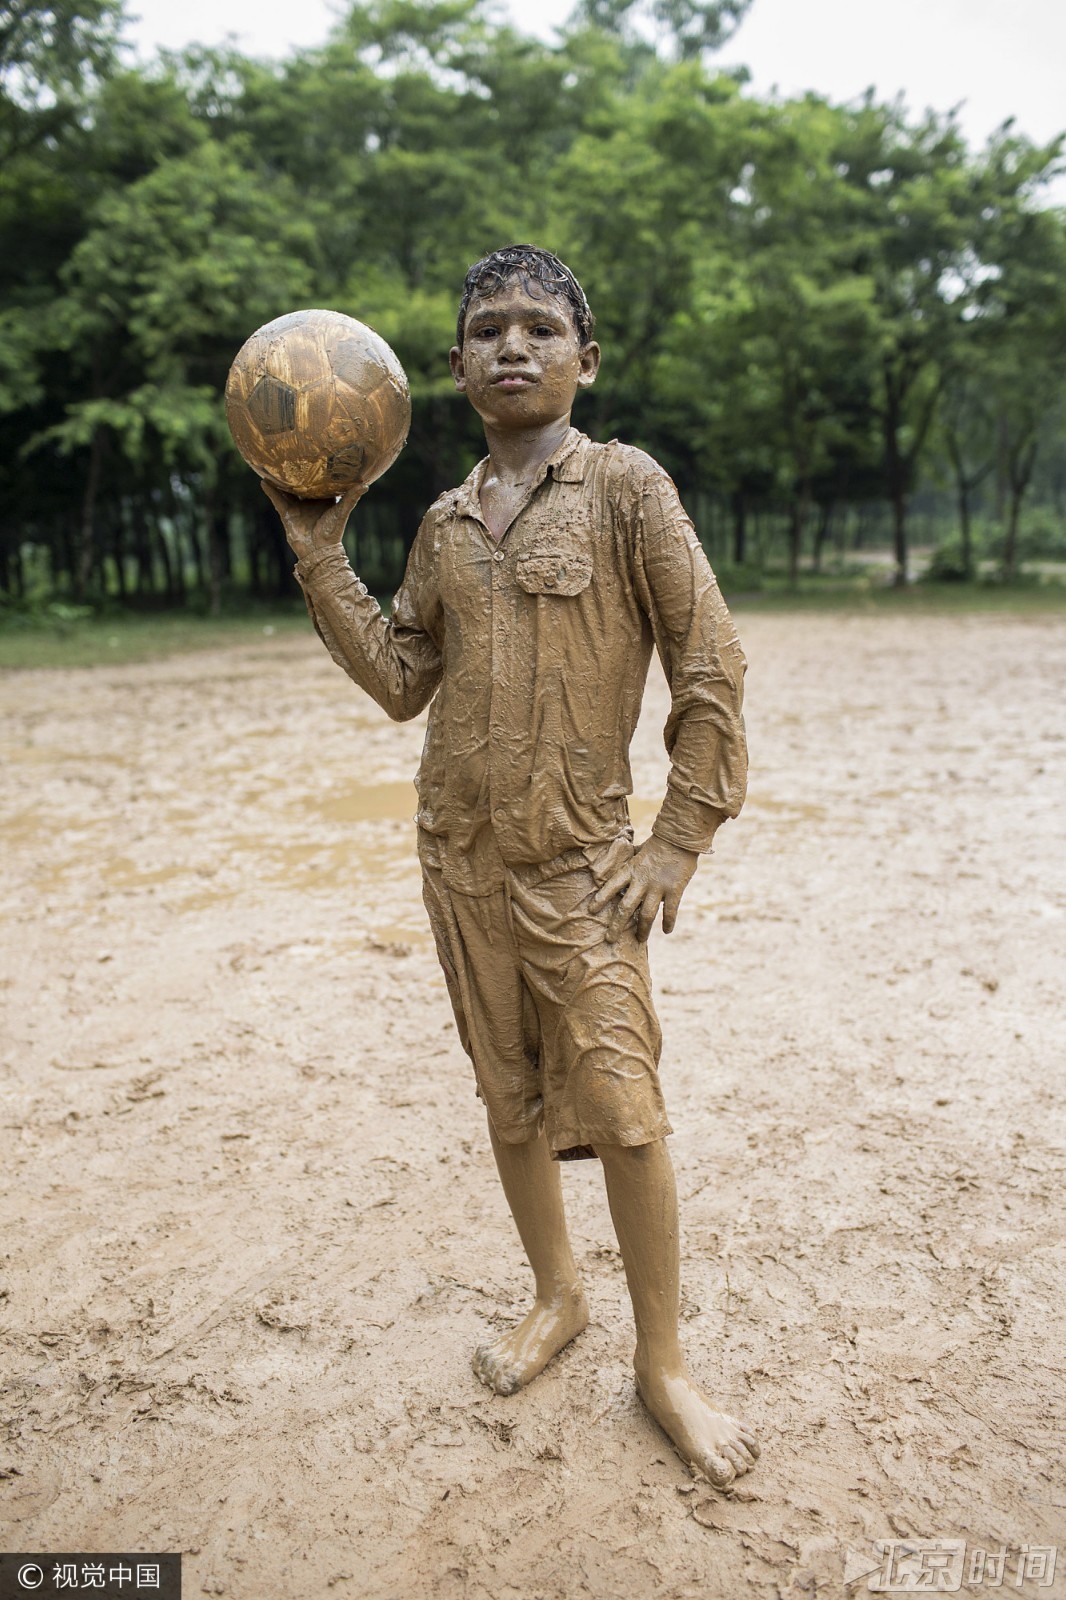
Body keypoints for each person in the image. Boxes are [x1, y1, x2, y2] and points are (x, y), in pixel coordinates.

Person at [263, 244, 759, 1488]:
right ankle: (557, 1295)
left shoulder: (628, 489)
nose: (513, 346)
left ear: (586, 361)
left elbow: (710, 670)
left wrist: (675, 842)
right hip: (460, 861)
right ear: (451, 369)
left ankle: (663, 1361)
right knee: (510, 1096)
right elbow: (399, 681)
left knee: (627, 1111)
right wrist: (321, 554)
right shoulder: (438, 523)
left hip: (582, 868)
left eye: (541, 327)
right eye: (488, 329)